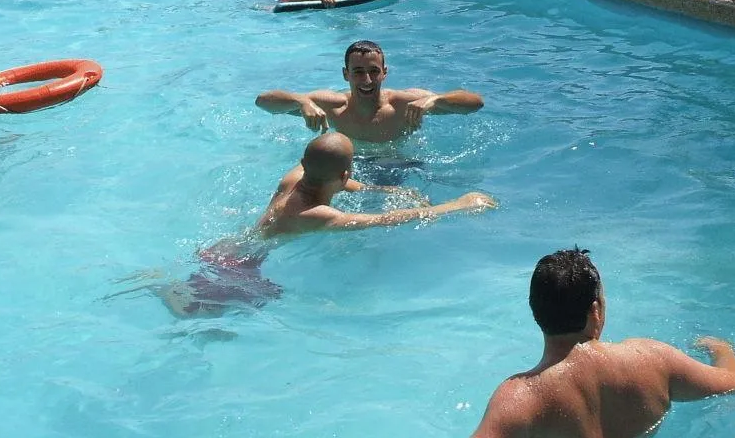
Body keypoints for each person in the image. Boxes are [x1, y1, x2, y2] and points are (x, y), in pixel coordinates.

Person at [290, 247, 735, 438]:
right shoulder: (653, 359)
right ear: (596, 310)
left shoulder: (522, 399)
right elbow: (734, 385)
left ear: (534, 312)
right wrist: (722, 348)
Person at [156, 131, 496, 316]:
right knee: (200, 320)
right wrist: (457, 205)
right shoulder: (316, 216)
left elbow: (326, 172)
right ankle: (166, 292)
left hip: (225, 249)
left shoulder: (293, 178)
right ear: (345, 173)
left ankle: (168, 288)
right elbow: (385, 220)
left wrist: (383, 188)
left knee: (207, 307)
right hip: (239, 268)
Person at [255, 39, 484, 143]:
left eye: (374, 71)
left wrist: (436, 100)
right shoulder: (331, 105)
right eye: (357, 72)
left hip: (400, 165)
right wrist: (300, 101)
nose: (367, 80)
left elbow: (475, 103)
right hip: (349, 169)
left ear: (385, 73)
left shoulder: (405, 103)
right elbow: (262, 102)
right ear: (345, 74)